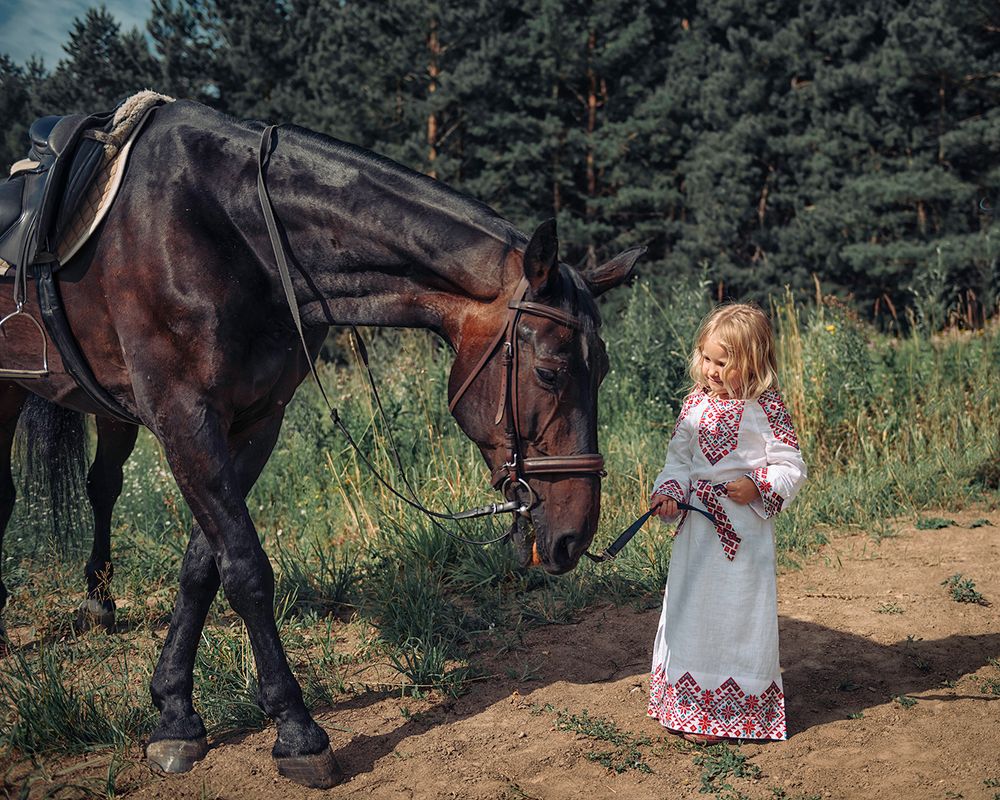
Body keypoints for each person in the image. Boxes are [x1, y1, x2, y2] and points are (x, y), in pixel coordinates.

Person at [646, 303, 806, 744]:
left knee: (735, 614)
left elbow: (791, 466)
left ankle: (730, 713)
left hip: (743, 535)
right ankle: (687, 705)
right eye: (706, 358)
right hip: (697, 532)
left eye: (722, 362)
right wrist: (670, 493)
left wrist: (757, 485)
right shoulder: (694, 403)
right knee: (689, 610)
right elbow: (678, 462)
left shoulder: (767, 407)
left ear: (752, 362)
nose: (710, 370)